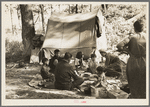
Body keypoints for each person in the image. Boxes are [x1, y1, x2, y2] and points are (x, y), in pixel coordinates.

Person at [117, 19, 146, 98]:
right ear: (143, 28)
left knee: (134, 84)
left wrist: (128, 51)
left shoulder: (131, 37)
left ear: (134, 28)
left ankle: (135, 98)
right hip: (146, 62)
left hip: (134, 62)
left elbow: (119, 46)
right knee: (145, 84)